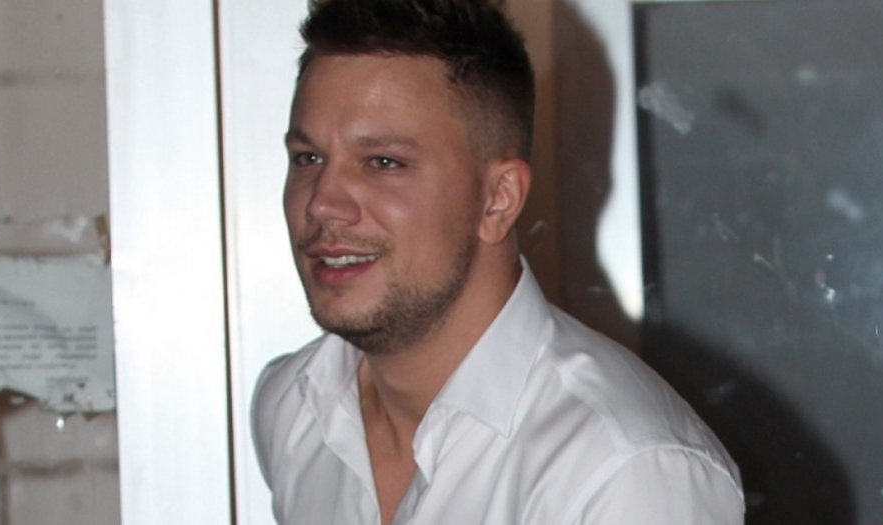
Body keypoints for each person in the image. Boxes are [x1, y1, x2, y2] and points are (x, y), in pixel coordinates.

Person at [251, 0, 745, 523]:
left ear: (498, 200)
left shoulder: (625, 470)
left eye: (383, 162)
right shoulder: (291, 405)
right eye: (308, 158)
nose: (321, 203)